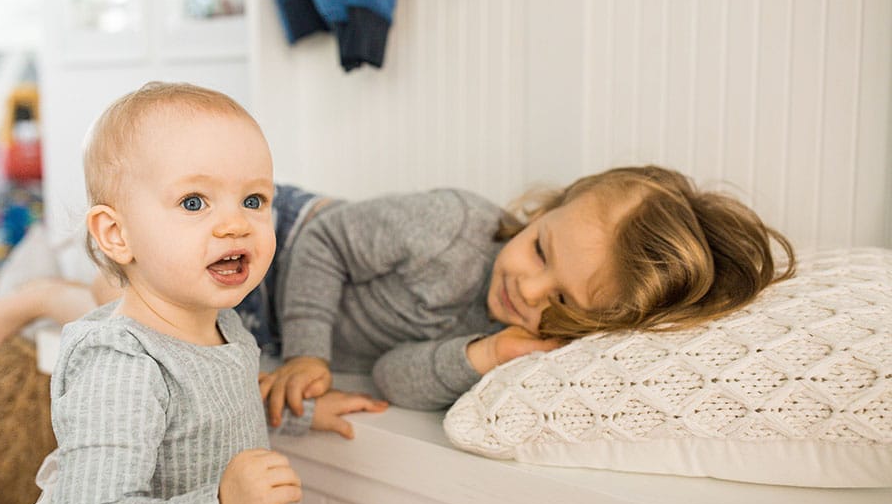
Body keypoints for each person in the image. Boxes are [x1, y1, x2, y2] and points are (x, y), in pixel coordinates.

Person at [18, 82, 386, 504]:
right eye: (193, 202)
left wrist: (300, 413)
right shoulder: (121, 365)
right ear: (116, 234)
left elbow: (214, 407)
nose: (235, 224)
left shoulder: (223, 323)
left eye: (254, 201)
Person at [259, 165, 797, 423]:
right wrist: (308, 353)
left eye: (562, 302)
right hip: (281, 242)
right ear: (542, 214)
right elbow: (324, 242)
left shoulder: (512, 331)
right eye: (541, 251)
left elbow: (389, 372)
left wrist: (487, 355)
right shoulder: (453, 226)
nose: (529, 289)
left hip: (265, 328)